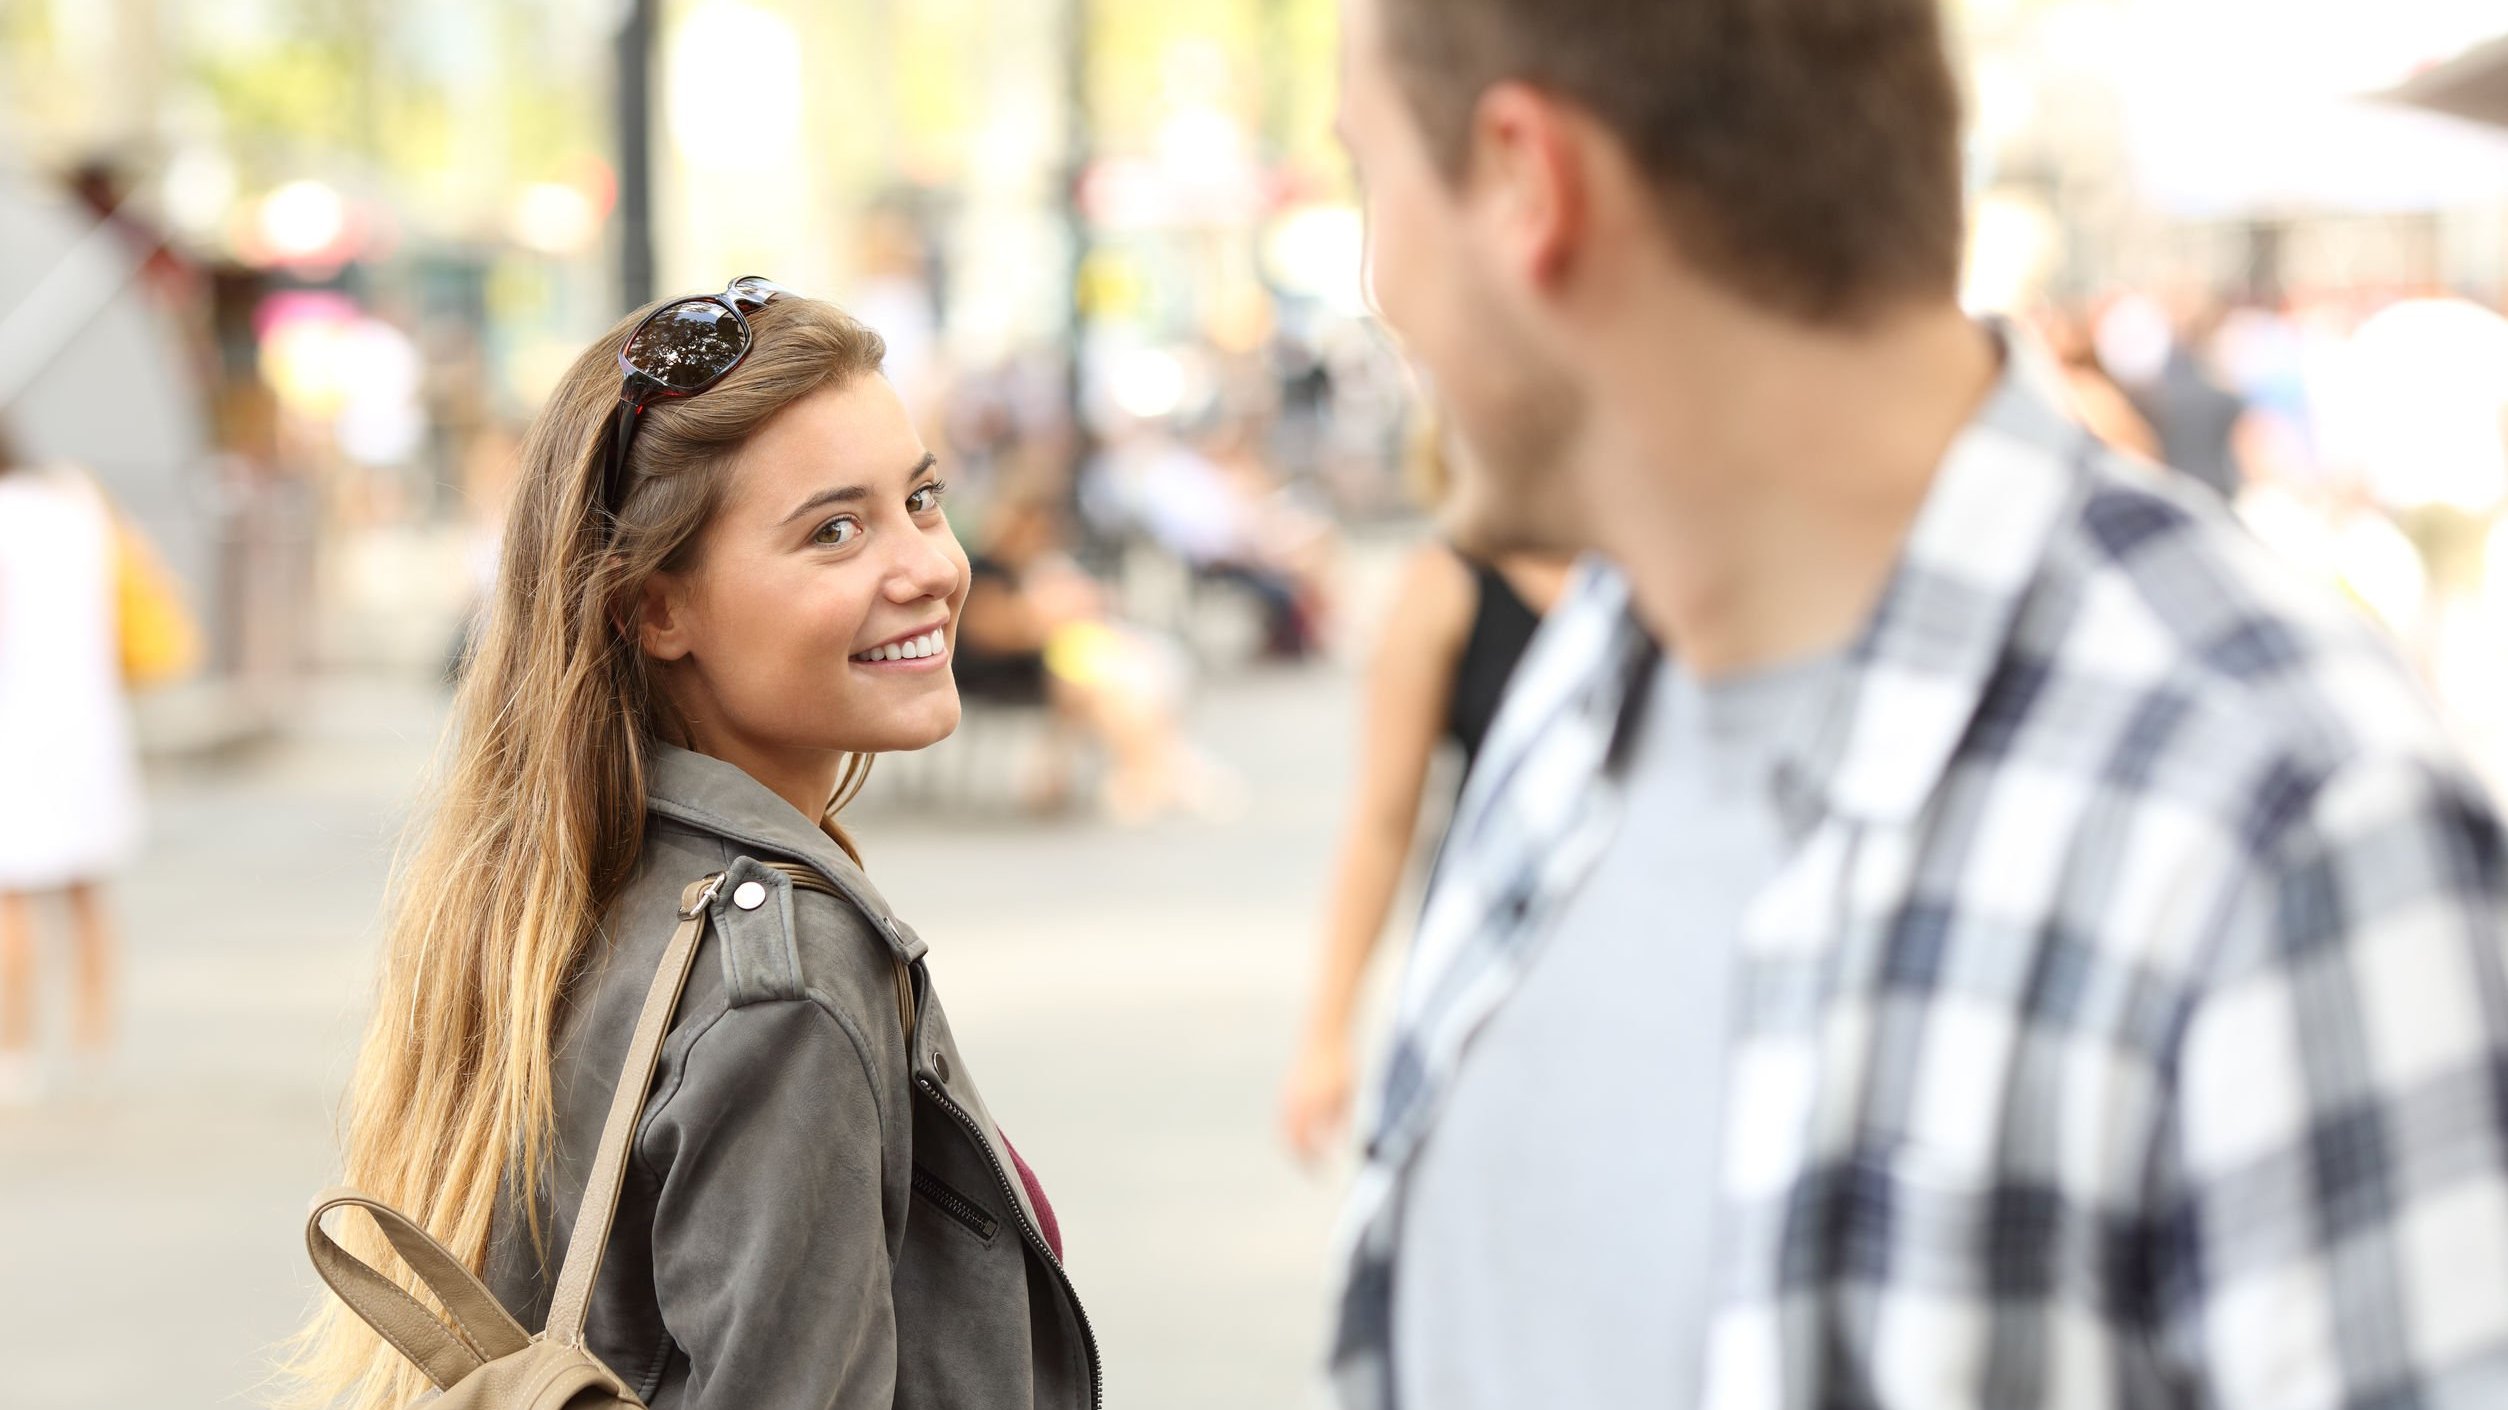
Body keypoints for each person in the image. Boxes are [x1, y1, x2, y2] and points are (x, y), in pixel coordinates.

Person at [1327, 1, 2508, 1407]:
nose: (1373, 278)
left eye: (1367, 178)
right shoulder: (1585, 681)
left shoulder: (2281, 814)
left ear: (1529, 177)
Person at [286, 282, 1097, 1410]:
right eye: (834, 531)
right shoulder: (787, 981)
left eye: (919, 498)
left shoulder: (569, 882)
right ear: (655, 610)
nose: (927, 567)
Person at [1279, 425, 1569, 1165]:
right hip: (1497, 949)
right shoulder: (1445, 581)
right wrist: (1327, 1035)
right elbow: (1382, 820)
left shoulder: (1656, 564)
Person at [0, 452, 142, 1105]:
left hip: (18, 723)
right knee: (88, 891)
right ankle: (94, 1039)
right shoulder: (79, 497)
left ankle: (15, 1049)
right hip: (89, 717)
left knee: (12, 899)